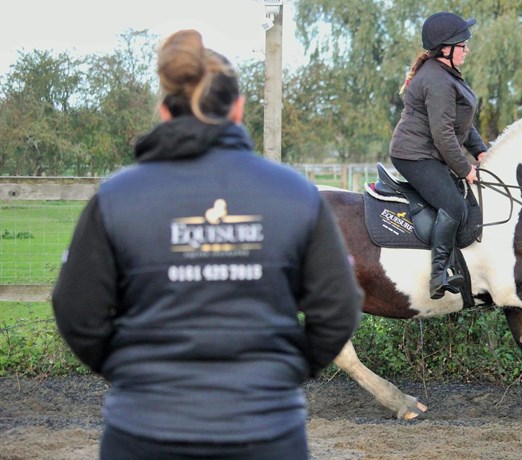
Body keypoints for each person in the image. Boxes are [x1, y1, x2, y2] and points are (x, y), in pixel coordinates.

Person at [52, 29, 362, 460]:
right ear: (238, 109)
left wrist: (133, 374)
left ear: (164, 111)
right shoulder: (296, 195)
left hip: (142, 433)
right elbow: (340, 306)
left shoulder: (115, 198)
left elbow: (75, 312)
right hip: (268, 433)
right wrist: (286, 371)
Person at [389, 11, 488, 300]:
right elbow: (443, 134)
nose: (467, 49)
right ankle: (439, 274)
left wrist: (480, 149)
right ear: (446, 49)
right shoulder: (438, 80)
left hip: (429, 151)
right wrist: (465, 169)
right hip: (414, 155)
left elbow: (460, 123)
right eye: (463, 44)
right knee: (454, 207)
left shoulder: (446, 74)